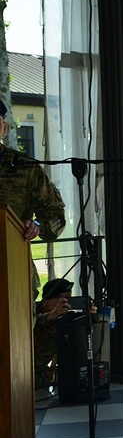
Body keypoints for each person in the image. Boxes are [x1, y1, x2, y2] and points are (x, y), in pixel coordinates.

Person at [0, 99, 67, 302]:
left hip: (12, 271)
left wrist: (36, 225)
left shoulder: (25, 168)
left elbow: (56, 215)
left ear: (3, 128)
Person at [33, 277, 74, 386]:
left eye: (68, 298)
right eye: (60, 298)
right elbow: (29, 324)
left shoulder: (64, 320)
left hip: (44, 378)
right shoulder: (31, 313)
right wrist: (51, 316)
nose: (64, 302)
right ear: (45, 301)